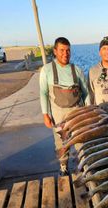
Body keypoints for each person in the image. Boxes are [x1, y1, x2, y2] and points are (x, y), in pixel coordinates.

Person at [39, 37, 90, 176]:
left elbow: (86, 93)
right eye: (61, 50)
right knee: (61, 144)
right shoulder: (47, 70)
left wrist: (89, 111)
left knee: (82, 142)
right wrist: (45, 114)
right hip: (58, 116)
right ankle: (63, 167)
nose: (65, 53)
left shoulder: (77, 70)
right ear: (55, 51)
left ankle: (85, 166)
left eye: (68, 50)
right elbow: (43, 93)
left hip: (77, 114)